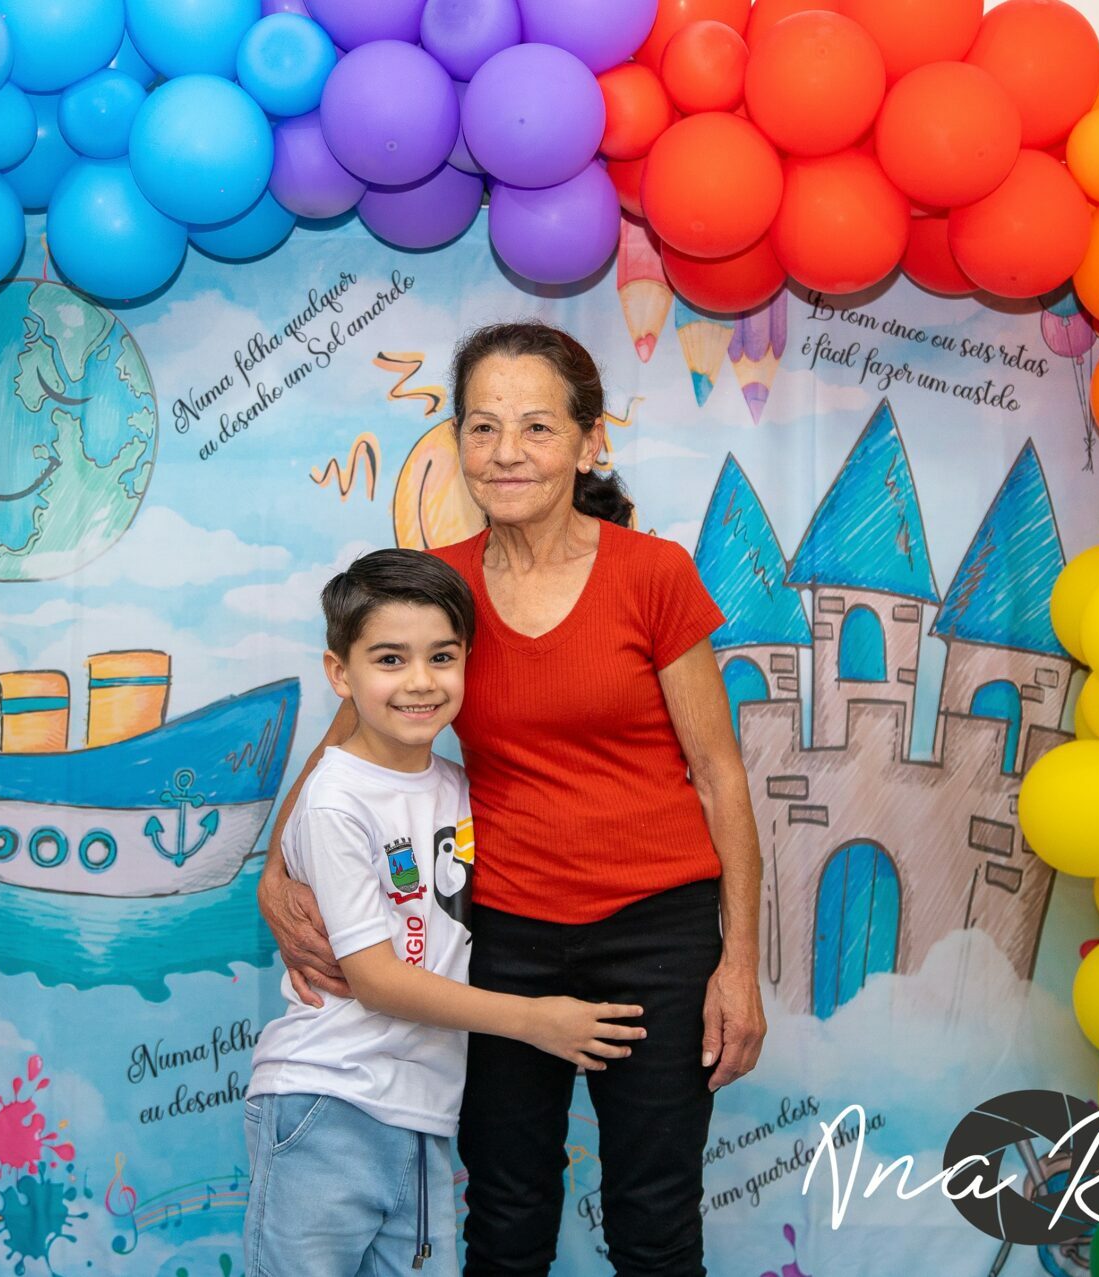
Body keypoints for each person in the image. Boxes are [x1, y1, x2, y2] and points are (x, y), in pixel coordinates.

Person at [260, 322, 766, 1276]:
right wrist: (272, 875)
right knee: (503, 1212)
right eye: (484, 427)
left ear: (588, 441)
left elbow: (721, 773)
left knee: (656, 1221)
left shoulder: (654, 573)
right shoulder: (437, 588)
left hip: (659, 935)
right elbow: (345, 747)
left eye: (537, 426)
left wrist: (740, 965)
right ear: (458, 441)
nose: (506, 452)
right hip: (499, 940)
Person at [245, 548, 648, 1277]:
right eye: (390, 659)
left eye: (442, 657)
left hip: (424, 1113)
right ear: (340, 673)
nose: (421, 681)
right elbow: (376, 980)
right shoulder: (335, 801)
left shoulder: (459, 786)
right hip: (329, 1097)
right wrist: (537, 1020)